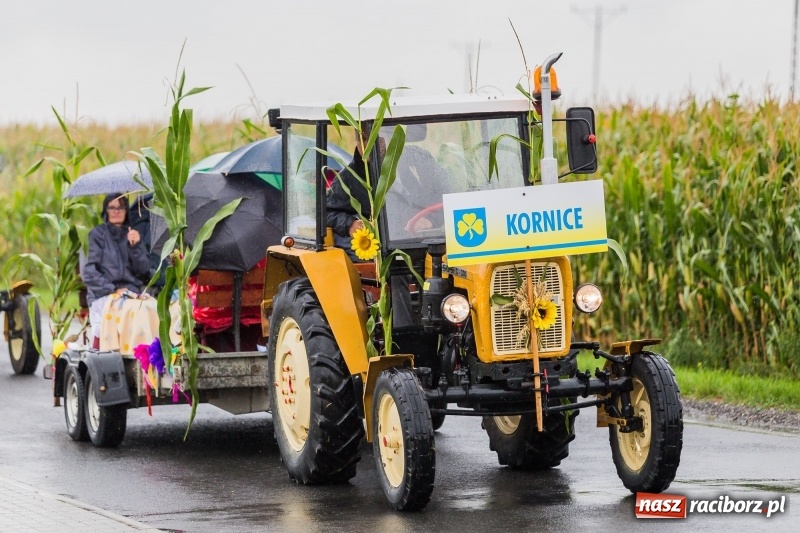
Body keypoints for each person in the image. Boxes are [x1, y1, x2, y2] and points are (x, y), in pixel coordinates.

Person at [82, 193, 150, 346]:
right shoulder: (98, 235)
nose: (116, 211)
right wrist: (113, 290)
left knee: (149, 308)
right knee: (126, 309)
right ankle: (105, 350)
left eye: (121, 207)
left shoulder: (132, 234)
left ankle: (142, 353)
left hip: (131, 293)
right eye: (112, 208)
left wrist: (136, 247)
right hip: (105, 293)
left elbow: (144, 271)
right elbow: (89, 272)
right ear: (106, 211)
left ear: (126, 210)